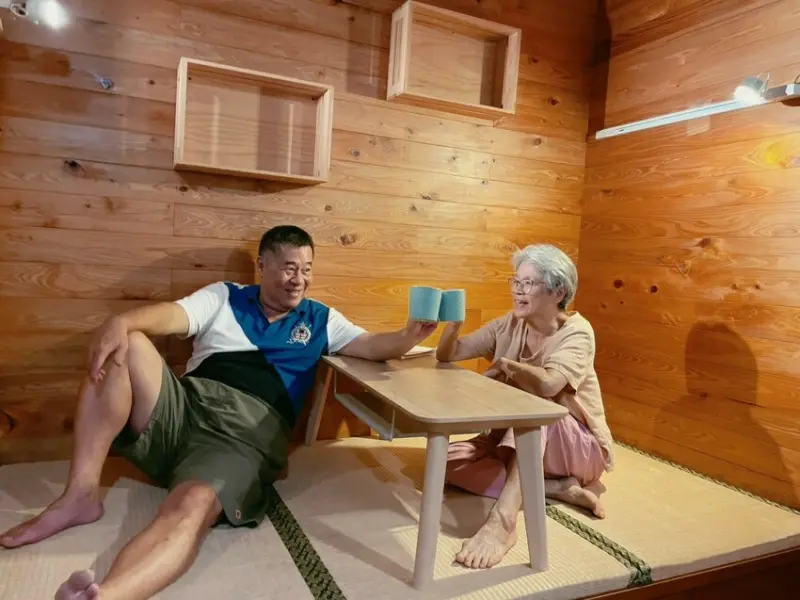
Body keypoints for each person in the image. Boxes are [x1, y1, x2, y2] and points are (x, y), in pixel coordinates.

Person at [0, 225, 437, 600]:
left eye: (306, 270)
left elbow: (371, 345)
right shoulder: (225, 297)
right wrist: (122, 321)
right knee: (126, 344)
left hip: (239, 437)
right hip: (183, 409)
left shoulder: (320, 319)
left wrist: (408, 335)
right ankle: (79, 495)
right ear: (262, 266)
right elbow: (172, 315)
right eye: (289, 268)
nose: (298, 280)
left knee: (190, 508)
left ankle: (105, 595)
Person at [435, 243, 614, 570]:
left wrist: (505, 365)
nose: (517, 290)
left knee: (536, 407)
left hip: (579, 445)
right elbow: (449, 354)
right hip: (521, 440)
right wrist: (453, 324)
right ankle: (556, 488)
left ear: (558, 291)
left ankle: (502, 523)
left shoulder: (577, 332)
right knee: (445, 462)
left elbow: (548, 385)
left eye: (528, 283)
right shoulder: (510, 323)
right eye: (515, 281)